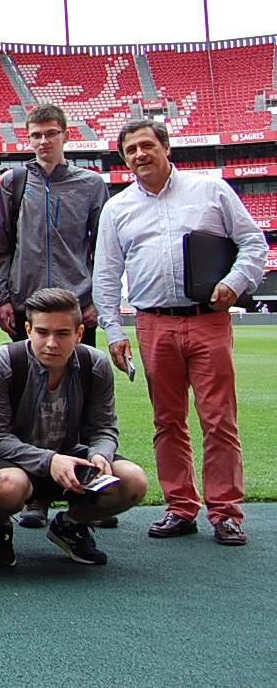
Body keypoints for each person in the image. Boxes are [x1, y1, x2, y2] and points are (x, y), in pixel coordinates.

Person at [94, 119, 266, 546]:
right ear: (124, 157)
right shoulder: (117, 207)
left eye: (147, 145)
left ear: (166, 147)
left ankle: (225, 511)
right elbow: (107, 275)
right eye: (130, 149)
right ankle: (180, 506)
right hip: (153, 322)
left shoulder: (210, 189)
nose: (139, 155)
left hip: (207, 317)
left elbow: (253, 244)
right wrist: (114, 330)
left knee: (218, 418)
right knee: (167, 421)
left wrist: (235, 282)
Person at [0, 288, 149, 567]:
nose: (52, 343)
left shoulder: (95, 364)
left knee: (133, 482)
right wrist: (50, 460)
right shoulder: (3, 362)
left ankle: (69, 526)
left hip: (71, 456)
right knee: (8, 486)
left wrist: (100, 456)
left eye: (63, 334)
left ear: (79, 333)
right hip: (13, 461)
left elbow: (104, 427)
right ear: (28, 329)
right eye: (42, 332)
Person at [0, 103, 108, 348]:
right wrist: (2, 300)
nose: (44, 140)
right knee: (28, 381)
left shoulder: (91, 185)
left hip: (76, 306)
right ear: (29, 139)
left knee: (78, 381)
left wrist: (97, 299)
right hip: (26, 306)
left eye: (52, 133)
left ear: (66, 135)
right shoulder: (12, 182)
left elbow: (105, 251)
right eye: (36, 135)